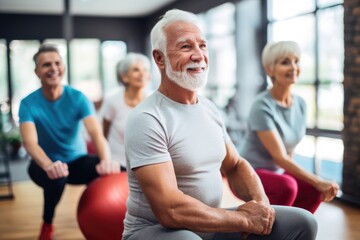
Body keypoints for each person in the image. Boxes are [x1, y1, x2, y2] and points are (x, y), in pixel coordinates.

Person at [123, 9, 317, 240]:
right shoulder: (147, 118)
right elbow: (169, 210)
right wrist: (244, 219)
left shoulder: (208, 108)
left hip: (209, 224)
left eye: (202, 46)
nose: (198, 55)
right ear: (159, 58)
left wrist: (261, 205)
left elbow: (235, 165)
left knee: (303, 222)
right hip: (157, 231)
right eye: (186, 47)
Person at [18, 44, 120, 240]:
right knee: (57, 176)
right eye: (46, 65)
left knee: (117, 169)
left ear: (63, 67)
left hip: (76, 162)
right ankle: (47, 224)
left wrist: (106, 160)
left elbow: (96, 134)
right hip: (44, 165)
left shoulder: (78, 98)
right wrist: (49, 165)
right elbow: (30, 143)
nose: (53, 68)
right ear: (37, 71)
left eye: (57, 63)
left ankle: (103, 218)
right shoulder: (27, 103)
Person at [239, 41, 339, 214]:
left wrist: (316, 184)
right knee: (288, 186)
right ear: (270, 69)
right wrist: (318, 179)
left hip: (276, 171)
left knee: (313, 189)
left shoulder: (300, 104)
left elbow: (289, 151)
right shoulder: (261, 106)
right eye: (285, 62)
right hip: (249, 173)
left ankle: (294, 230)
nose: (293, 67)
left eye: (296, 61)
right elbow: (280, 157)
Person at [101, 52, 151, 170]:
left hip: (145, 162)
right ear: (125, 77)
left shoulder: (153, 101)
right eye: (136, 70)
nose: (142, 74)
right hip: (117, 163)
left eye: (145, 69)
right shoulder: (112, 101)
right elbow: (104, 134)